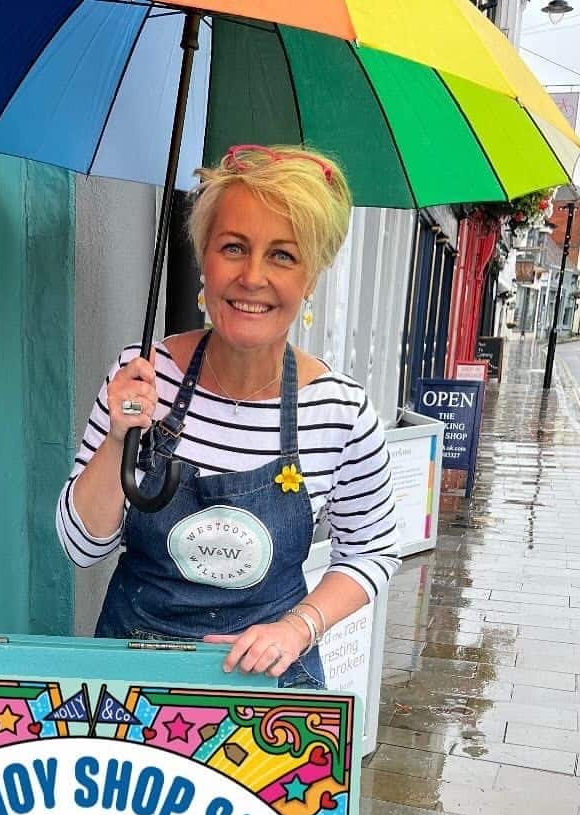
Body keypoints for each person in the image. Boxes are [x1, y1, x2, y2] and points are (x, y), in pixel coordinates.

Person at [55, 145, 400, 687]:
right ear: (204, 258)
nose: (253, 276)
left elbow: (372, 552)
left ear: (311, 278)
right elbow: (82, 545)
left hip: (268, 693)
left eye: (283, 255)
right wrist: (119, 434)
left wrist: (297, 628)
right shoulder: (142, 376)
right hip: (134, 683)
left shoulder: (341, 411)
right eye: (234, 247)